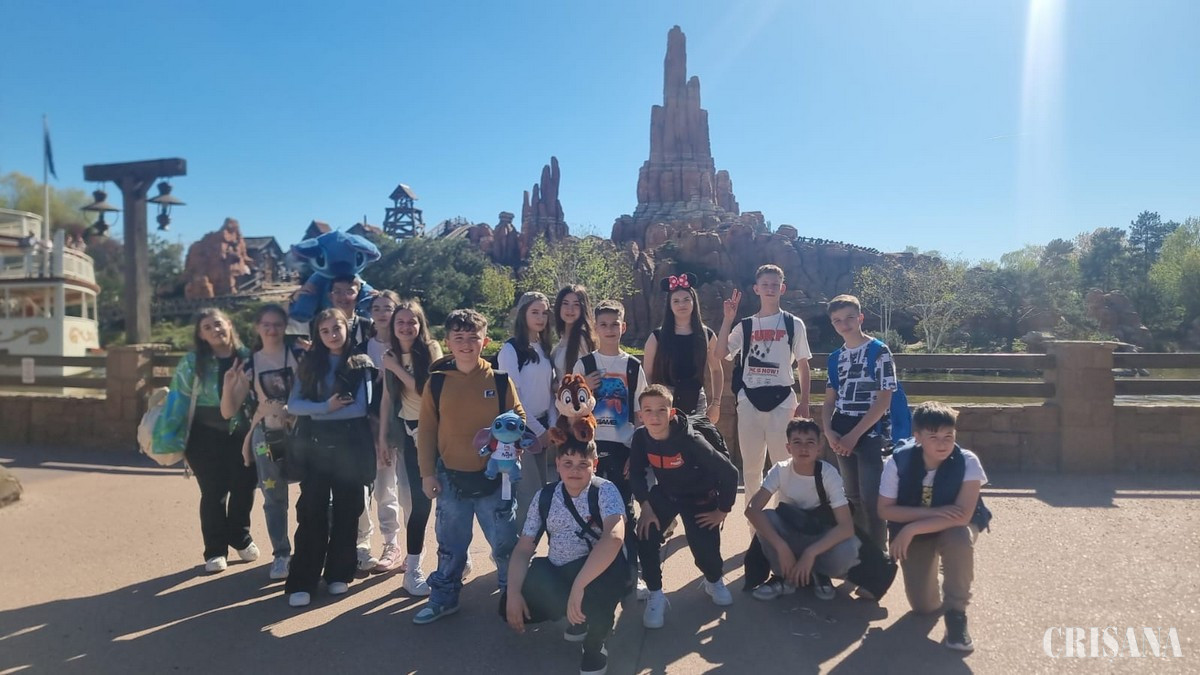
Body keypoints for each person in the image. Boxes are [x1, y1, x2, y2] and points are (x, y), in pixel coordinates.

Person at [414, 308, 526, 625]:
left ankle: (512, 596)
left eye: (473, 338)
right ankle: (444, 598)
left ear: (485, 341)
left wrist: (511, 440)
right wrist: (427, 474)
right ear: (447, 342)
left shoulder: (500, 381)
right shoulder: (437, 383)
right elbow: (427, 431)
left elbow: (518, 417)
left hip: (496, 478)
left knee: (505, 544)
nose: (466, 344)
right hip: (451, 478)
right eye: (459, 338)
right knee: (450, 546)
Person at [503, 438, 629, 675]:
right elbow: (524, 548)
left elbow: (614, 537)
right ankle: (579, 617)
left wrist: (578, 587)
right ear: (558, 464)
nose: (575, 470)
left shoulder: (604, 490)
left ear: (595, 464)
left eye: (583, 464)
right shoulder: (545, 496)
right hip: (561, 569)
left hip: (598, 571)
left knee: (602, 588)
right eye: (568, 463)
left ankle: (595, 644)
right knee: (509, 605)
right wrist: (513, 594)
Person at [878, 401, 989, 652]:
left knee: (959, 538)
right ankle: (936, 575)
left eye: (948, 436)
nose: (942, 444)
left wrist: (911, 528)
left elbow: (962, 517)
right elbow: (884, 509)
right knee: (923, 607)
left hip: (951, 526)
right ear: (917, 437)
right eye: (934, 437)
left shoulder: (968, 461)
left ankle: (956, 614)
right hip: (919, 529)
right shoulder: (897, 462)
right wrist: (929, 514)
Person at [284, 308, 377, 607]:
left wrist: (319, 410)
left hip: (351, 447)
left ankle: (339, 572)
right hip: (315, 449)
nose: (332, 335)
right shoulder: (309, 363)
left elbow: (361, 408)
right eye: (325, 331)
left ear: (347, 328)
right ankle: (303, 580)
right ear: (317, 334)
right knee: (311, 511)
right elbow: (294, 404)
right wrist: (326, 407)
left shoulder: (361, 362)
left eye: (337, 328)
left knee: (348, 510)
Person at [154, 308, 255, 573]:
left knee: (245, 487)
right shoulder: (192, 362)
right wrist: (170, 439)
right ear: (201, 335)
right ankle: (215, 550)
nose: (215, 330)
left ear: (229, 324)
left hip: (243, 432)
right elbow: (178, 399)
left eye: (218, 324)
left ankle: (240, 536)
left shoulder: (248, 357)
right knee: (213, 492)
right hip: (204, 435)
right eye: (207, 328)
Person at [631, 385, 739, 628]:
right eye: (648, 410)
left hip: (699, 496)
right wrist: (645, 505)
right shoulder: (640, 437)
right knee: (645, 534)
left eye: (661, 410)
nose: (655, 416)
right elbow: (636, 473)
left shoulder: (691, 440)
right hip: (667, 493)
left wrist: (722, 510)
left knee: (705, 550)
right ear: (640, 415)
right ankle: (655, 593)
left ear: (671, 413)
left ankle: (713, 580)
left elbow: (729, 473)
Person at [220, 304, 304, 580]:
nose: (272, 329)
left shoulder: (299, 355)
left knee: (315, 492)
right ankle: (281, 554)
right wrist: (228, 386)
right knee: (274, 496)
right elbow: (228, 411)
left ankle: (312, 548)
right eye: (266, 324)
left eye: (277, 324)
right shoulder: (250, 365)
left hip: (301, 431)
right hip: (267, 435)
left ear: (285, 326)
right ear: (258, 327)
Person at [715, 264, 813, 499]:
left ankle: (783, 514)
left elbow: (803, 364)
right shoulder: (745, 325)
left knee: (784, 464)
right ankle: (754, 518)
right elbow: (720, 353)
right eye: (765, 284)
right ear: (756, 289)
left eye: (775, 285)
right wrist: (728, 320)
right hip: (750, 399)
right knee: (751, 467)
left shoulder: (793, 323)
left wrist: (805, 402)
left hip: (783, 400)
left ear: (782, 288)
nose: (770, 289)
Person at [744, 418, 860, 601]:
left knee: (850, 547)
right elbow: (752, 509)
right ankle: (784, 577)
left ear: (819, 447)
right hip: (789, 534)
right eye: (797, 442)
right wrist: (781, 546)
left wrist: (810, 553)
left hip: (818, 536)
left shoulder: (829, 474)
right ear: (788, 448)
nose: (803, 448)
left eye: (810, 442)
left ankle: (819, 573)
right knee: (767, 518)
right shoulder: (781, 470)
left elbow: (846, 527)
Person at [572, 300, 647, 577]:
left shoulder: (633, 366)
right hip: (589, 446)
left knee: (624, 510)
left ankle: (630, 571)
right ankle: (591, 571)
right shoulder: (584, 364)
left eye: (615, 324)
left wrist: (636, 454)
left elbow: (640, 415)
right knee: (588, 509)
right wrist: (585, 389)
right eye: (603, 324)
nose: (609, 329)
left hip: (622, 447)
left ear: (623, 327)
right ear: (595, 328)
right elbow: (571, 411)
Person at [377, 298, 443, 595]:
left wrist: (393, 366)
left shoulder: (432, 349)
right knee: (419, 501)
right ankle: (413, 567)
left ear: (420, 324)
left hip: (437, 431)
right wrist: (382, 438)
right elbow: (386, 399)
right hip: (407, 432)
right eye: (400, 322)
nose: (406, 327)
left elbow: (425, 390)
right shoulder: (390, 355)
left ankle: (455, 558)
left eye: (411, 321)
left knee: (448, 500)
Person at [822, 294, 897, 549]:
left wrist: (854, 436)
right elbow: (830, 401)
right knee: (851, 496)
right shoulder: (835, 358)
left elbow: (884, 400)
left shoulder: (879, 352)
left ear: (860, 318)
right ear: (832, 324)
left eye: (849, 318)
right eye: (837, 320)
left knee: (871, 498)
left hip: (870, 431)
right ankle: (858, 550)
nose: (844, 324)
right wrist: (829, 431)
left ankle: (878, 554)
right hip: (842, 429)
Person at [353, 291, 407, 574]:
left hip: (401, 425)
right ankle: (362, 543)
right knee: (366, 488)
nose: (383, 313)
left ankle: (392, 543)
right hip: (367, 428)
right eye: (377, 308)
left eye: (388, 307)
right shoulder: (360, 349)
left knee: (392, 489)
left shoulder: (405, 347)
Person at [500, 292, 557, 527]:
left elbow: (550, 393)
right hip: (522, 430)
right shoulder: (511, 349)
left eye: (544, 313)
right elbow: (515, 397)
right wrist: (538, 431)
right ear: (523, 314)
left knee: (542, 491)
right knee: (528, 495)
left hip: (544, 427)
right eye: (535, 312)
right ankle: (517, 544)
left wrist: (552, 427)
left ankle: (531, 542)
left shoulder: (544, 348)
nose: (540, 317)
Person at [642, 273, 723, 421]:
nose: (681, 305)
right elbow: (647, 373)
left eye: (686, 299)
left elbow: (716, 370)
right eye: (676, 301)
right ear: (670, 305)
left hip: (696, 401)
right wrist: (652, 403)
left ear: (694, 302)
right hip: (664, 403)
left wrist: (716, 403)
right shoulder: (656, 337)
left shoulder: (707, 335)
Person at [551, 285, 598, 384]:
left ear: (583, 308)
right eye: (565, 303)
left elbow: (592, 379)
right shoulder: (562, 339)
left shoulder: (582, 340)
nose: (570, 309)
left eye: (576, 305)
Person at [329, 275, 373, 349]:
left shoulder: (367, 325)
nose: (343, 297)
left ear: (359, 296)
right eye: (337, 292)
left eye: (349, 292)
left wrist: (380, 300)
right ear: (330, 296)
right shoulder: (319, 325)